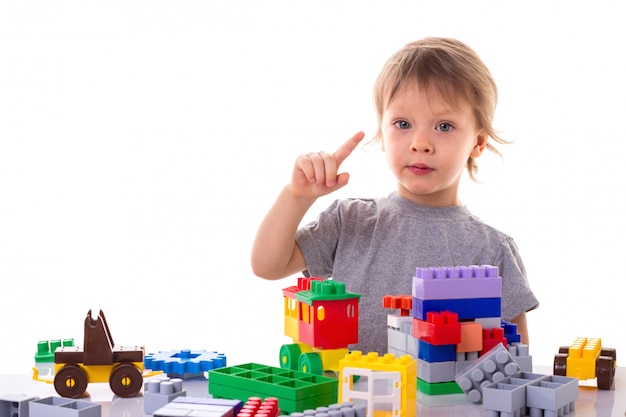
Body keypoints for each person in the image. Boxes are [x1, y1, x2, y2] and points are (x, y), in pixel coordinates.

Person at [251, 37, 539, 355]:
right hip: (347, 403)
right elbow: (267, 265)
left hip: (443, 405)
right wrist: (296, 197)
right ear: (383, 133)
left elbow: (516, 361)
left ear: (478, 143)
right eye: (402, 123)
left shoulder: (492, 249)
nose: (420, 142)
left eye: (444, 126)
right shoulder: (350, 220)